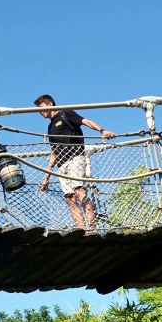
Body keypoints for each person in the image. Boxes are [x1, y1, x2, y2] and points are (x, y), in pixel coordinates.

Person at [35, 94, 116, 231]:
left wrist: (102, 130)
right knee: (70, 199)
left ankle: (92, 228)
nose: (41, 112)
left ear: (50, 104)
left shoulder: (65, 114)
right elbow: (53, 152)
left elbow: (86, 122)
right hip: (62, 164)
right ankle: (82, 230)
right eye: (38, 111)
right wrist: (46, 177)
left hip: (75, 157)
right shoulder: (50, 128)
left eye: (42, 108)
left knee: (79, 191)